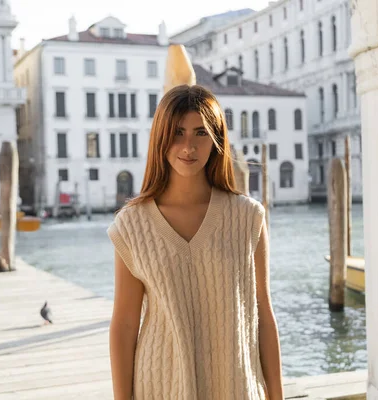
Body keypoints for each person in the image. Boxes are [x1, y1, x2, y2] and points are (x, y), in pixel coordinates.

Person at [107, 85, 283, 399]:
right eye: (178, 132)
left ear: (216, 140)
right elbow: (124, 324)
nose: (188, 146)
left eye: (201, 133)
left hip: (236, 386)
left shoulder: (248, 217)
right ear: (161, 138)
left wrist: (276, 395)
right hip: (160, 387)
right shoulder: (132, 225)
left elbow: (263, 315)